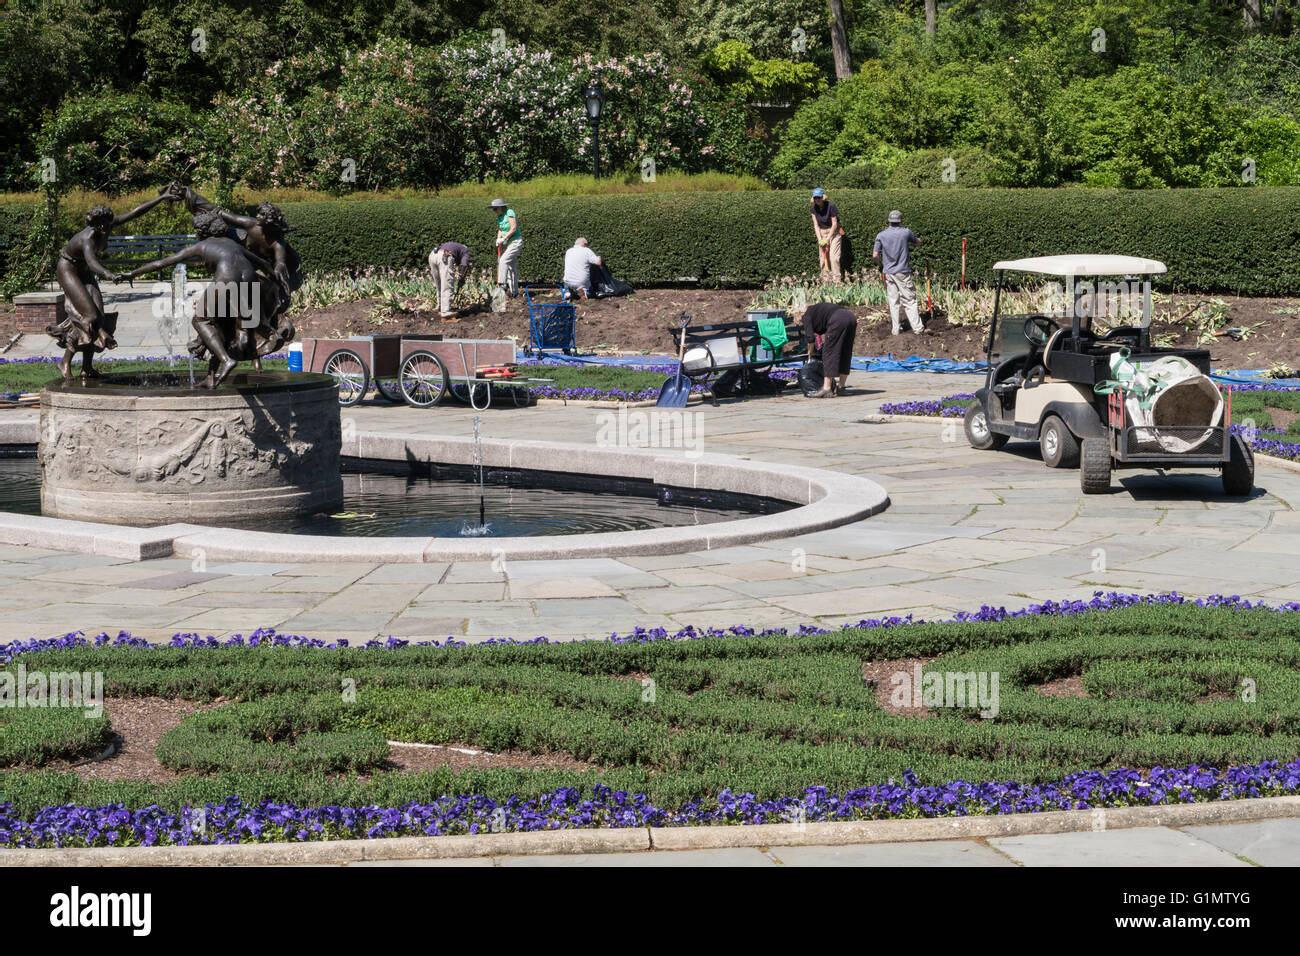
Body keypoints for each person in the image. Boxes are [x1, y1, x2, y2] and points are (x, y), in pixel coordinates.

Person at [124, 210, 277, 388]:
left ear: (201, 231)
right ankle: (211, 376)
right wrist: (277, 281)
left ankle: (226, 360)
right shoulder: (233, 244)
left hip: (227, 280)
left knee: (201, 319)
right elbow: (264, 264)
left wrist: (132, 273)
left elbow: (162, 263)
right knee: (223, 325)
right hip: (250, 281)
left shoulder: (201, 246)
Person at [48, 192, 177, 379]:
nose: (107, 228)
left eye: (108, 224)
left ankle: (87, 367)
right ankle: (65, 362)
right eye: (104, 225)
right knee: (89, 315)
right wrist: (108, 274)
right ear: (97, 225)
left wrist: (161, 197)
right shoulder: (88, 238)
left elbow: (135, 212)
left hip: (83, 271)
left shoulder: (107, 225)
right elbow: (92, 263)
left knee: (99, 316)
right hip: (68, 270)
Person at [873, 209, 927, 335]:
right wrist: (919, 240)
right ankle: (918, 329)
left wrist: (881, 265)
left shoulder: (881, 235)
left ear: (889, 220)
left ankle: (896, 329)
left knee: (893, 301)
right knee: (909, 300)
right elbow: (917, 243)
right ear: (900, 220)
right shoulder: (906, 232)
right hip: (903, 272)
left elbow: (875, 255)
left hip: (889, 273)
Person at [791, 301, 858, 398]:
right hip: (851, 317)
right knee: (845, 352)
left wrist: (810, 352)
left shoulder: (806, 315)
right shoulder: (819, 309)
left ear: (799, 313)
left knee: (829, 353)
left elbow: (810, 338)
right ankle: (841, 388)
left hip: (838, 320)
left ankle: (826, 388)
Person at [429, 241, 471, 319]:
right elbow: (465, 265)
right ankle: (445, 311)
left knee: (439, 284)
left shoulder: (454, 246)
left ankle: (440, 306)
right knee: (447, 284)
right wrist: (462, 279)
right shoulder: (465, 251)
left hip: (433, 255)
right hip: (445, 256)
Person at [810, 188, 845, 283]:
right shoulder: (813, 208)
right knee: (823, 259)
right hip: (821, 233)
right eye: (815, 197)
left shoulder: (831, 206)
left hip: (834, 233)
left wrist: (828, 238)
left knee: (834, 258)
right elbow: (816, 225)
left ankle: (837, 282)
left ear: (823, 197)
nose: (817, 199)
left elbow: (834, 224)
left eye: (819, 197)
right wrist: (820, 239)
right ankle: (826, 282)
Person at [490, 198, 522, 296]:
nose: (494, 211)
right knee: (512, 268)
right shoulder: (499, 217)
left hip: (515, 242)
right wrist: (498, 239)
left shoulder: (509, 212)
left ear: (501, 207)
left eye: (495, 209)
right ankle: (514, 292)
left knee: (503, 261)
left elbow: (513, 228)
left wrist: (504, 239)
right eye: (493, 209)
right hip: (508, 243)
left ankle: (501, 285)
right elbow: (500, 229)